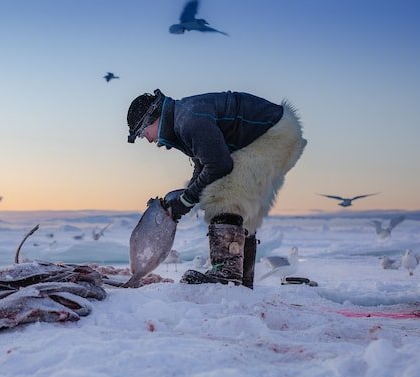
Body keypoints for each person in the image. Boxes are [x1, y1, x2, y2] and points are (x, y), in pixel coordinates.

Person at [126, 89, 307, 288]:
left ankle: (227, 274)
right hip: (277, 131)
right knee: (236, 204)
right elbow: (203, 165)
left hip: (273, 134)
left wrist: (186, 200)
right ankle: (241, 279)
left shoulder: (188, 120)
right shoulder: (182, 118)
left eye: (143, 132)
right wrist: (182, 201)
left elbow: (219, 165)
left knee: (222, 195)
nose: (148, 139)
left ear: (153, 118)